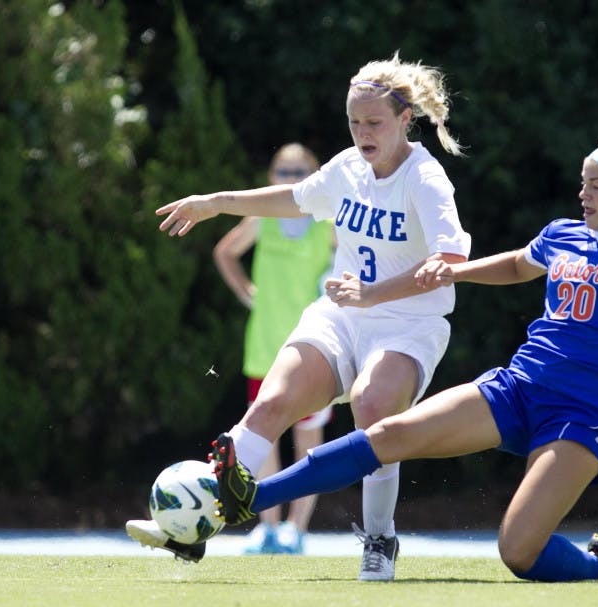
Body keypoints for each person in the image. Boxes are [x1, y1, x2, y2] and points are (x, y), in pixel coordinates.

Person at [208, 107, 598, 582]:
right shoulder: (566, 232)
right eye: (582, 183)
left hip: (585, 413)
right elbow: (519, 263)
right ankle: (251, 498)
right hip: (519, 387)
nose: (582, 194)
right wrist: (453, 273)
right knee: (388, 432)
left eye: (595, 187)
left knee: (517, 551)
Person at [134, 53, 472, 580]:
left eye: (374, 122)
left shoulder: (425, 179)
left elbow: (451, 262)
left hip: (408, 326)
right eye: (355, 121)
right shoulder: (347, 168)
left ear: (406, 119)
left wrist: (374, 294)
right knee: (269, 403)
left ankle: (379, 540)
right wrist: (215, 202)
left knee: (373, 407)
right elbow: (294, 199)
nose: (363, 132)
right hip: (341, 318)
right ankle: (193, 527)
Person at [213, 143, 333, 555]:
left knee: (308, 442)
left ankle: (296, 530)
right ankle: (267, 525)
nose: (291, 179)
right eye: (283, 172)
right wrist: (247, 292)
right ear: (271, 178)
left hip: (313, 348)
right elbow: (225, 252)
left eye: (300, 172)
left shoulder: (326, 222)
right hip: (265, 346)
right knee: (261, 438)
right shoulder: (262, 218)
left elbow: (355, 259)